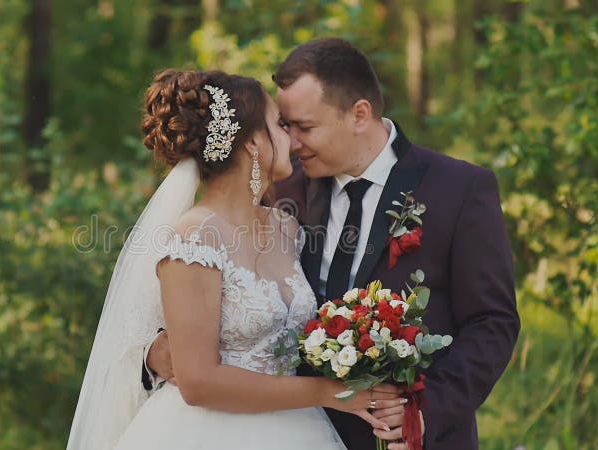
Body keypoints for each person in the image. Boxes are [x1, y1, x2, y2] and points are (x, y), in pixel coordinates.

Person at [147, 38, 520, 450]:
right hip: (284, 430)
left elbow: (492, 323)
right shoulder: (279, 191)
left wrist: (424, 412)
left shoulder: (459, 189)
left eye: (304, 127)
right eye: (284, 126)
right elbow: (212, 305)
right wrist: (156, 356)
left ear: (359, 115)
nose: (291, 141)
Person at [66, 69, 412, 450]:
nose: (292, 139)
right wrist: (327, 392)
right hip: (207, 433)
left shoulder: (288, 227)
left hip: (298, 429)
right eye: (280, 126)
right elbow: (197, 383)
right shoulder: (195, 238)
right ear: (251, 143)